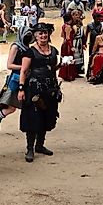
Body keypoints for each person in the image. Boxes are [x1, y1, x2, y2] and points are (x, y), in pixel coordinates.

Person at [17, 22, 61, 162]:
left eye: (45, 33)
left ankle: (40, 145)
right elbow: (24, 71)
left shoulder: (53, 50)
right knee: (33, 117)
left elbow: (53, 68)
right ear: (35, 36)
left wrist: (63, 65)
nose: (43, 35)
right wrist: (21, 89)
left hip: (50, 88)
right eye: (40, 33)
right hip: (34, 88)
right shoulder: (29, 52)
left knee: (47, 116)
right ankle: (30, 148)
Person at [59, 12, 83, 81]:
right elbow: (68, 37)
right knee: (69, 59)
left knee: (66, 59)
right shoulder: (68, 26)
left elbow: (62, 35)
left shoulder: (64, 25)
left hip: (65, 43)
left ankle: (67, 74)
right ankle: (68, 75)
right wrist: (71, 46)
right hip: (68, 45)